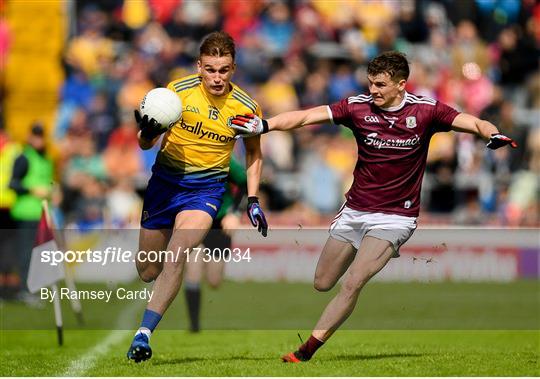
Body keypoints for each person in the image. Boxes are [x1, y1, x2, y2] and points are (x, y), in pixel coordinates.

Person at [230, 51, 516, 363]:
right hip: (355, 210)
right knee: (322, 282)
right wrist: (264, 125)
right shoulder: (357, 107)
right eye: (370, 84)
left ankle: (305, 352)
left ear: (401, 84)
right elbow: (305, 116)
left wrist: (492, 133)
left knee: (353, 281)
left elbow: (473, 122)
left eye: (380, 85)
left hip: (396, 216)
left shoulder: (426, 111)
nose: (373, 90)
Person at [126, 31, 268, 363]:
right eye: (211, 69)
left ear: (233, 68)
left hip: (206, 191)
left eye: (224, 70)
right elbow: (145, 143)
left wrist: (252, 199)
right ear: (199, 66)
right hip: (165, 186)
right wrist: (146, 132)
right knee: (148, 270)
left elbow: (254, 154)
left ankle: (143, 334)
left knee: (179, 251)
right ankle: (161, 289)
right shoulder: (175, 93)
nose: (217, 78)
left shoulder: (246, 106)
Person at [183, 156, 246, 332]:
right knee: (193, 272)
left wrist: (234, 213)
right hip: (193, 220)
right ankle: (194, 326)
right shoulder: (183, 156)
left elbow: (246, 183)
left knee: (214, 281)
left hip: (219, 223)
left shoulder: (223, 157)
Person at [9, 123, 53, 299]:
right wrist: (33, 190)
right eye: (35, 135)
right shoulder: (24, 158)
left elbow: (48, 182)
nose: (39, 139)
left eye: (41, 135)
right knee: (26, 253)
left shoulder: (46, 158)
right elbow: (13, 183)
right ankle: (24, 289)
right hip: (26, 212)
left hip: (43, 213)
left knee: (40, 254)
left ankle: (35, 287)